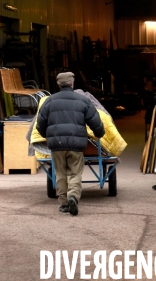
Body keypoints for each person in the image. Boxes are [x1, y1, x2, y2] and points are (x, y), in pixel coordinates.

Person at [36, 71, 105, 216]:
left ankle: (64, 203)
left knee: (60, 173)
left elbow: (40, 124)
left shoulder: (49, 101)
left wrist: (47, 136)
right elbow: (95, 121)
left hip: (56, 144)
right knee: (75, 172)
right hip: (76, 144)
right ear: (72, 84)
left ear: (58, 84)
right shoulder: (83, 101)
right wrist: (99, 134)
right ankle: (73, 195)